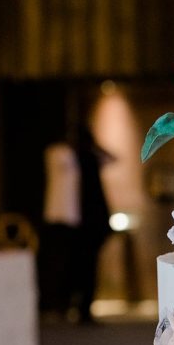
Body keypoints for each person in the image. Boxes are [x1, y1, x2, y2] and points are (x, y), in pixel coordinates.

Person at [39, 126, 112, 323]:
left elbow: (111, 158)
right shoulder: (61, 155)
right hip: (66, 222)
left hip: (87, 223)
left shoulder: (88, 159)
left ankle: (83, 309)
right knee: (65, 266)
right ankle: (63, 305)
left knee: (87, 268)